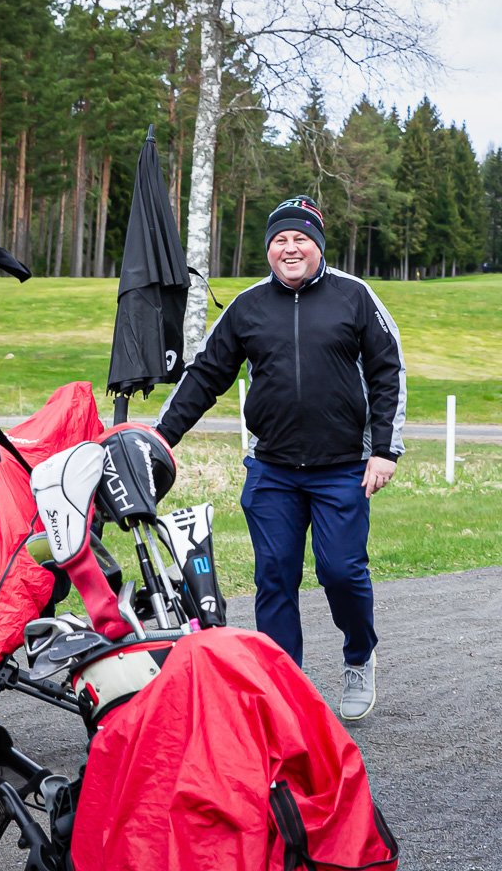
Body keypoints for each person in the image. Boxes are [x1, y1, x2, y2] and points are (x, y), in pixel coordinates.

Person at [154, 195, 406, 721]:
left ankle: (359, 654)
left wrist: (384, 449)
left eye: (300, 239)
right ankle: (282, 686)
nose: (290, 248)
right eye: (279, 240)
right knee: (274, 576)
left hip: (343, 469)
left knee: (341, 572)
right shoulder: (249, 306)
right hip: (272, 469)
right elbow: (205, 376)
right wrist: (160, 437)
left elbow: (388, 373)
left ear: (318, 245)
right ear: (269, 249)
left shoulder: (354, 297)